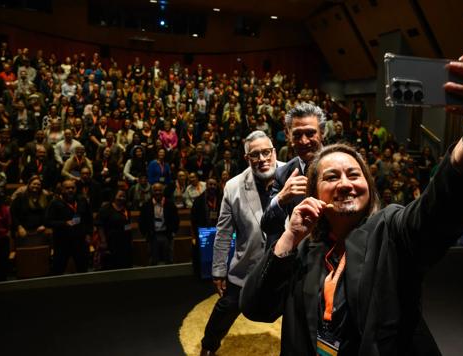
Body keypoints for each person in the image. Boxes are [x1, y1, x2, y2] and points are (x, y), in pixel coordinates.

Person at [240, 51, 463, 355]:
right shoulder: (302, 249)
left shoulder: (392, 231)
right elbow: (256, 308)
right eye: (331, 177)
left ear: (368, 185)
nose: (345, 183)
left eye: (354, 174)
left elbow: (440, 205)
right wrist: (289, 236)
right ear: (313, 192)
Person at [199, 131, 280, 355]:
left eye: (267, 152)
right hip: (248, 265)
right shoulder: (233, 187)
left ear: (274, 152)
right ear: (247, 159)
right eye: (256, 155)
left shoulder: (293, 174)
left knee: (299, 311)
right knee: (226, 307)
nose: (263, 158)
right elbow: (223, 233)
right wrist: (218, 271)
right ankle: (208, 348)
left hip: (286, 265)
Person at [261, 102, 325, 248]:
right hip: (301, 259)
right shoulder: (283, 174)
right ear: (288, 135)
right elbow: (268, 226)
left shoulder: (343, 164)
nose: (303, 141)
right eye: (297, 134)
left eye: (310, 133)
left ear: (322, 132)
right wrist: (281, 198)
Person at [45, 179, 94, 274]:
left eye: (73, 188)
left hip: (80, 241)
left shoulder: (82, 200)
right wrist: (64, 223)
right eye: (67, 188)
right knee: (58, 270)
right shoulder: (55, 203)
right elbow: (47, 222)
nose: (70, 190)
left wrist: (89, 234)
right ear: (62, 190)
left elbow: (89, 218)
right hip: (62, 242)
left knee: (82, 269)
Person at [139, 183, 179, 265]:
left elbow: (176, 219)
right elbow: (141, 221)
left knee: (168, 259)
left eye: (160, 190)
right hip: (152, 236)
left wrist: (173, 232)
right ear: (152, 192)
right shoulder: (146, 205)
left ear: (163, 191)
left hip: (167, 235)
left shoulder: (170, 204)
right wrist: (145, 234)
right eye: (155, 190)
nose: (158, 192)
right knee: (153, 260)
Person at [10, 176, 52, 247]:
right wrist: (19, 227)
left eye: (38, 184)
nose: (36, 186)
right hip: (23, 229)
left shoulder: (45, 198)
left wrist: (44, 225)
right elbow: (13, 213)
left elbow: (48, 214)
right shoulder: (21, 197)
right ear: (29, 185)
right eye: (34, 184)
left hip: (40, 229)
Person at [96, 189, 133, 269]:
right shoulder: (106, 208)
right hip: (110, 241)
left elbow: (128, 224)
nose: (122, 198)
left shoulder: (126, 209)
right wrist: (103, 241)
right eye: (120, 196)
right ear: (114, 197)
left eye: (124, 196)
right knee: (111, 266)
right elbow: (100, 226)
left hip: (124, 242)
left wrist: (129, 232)